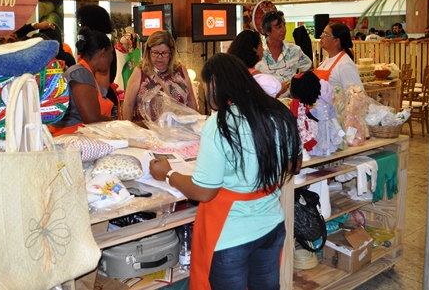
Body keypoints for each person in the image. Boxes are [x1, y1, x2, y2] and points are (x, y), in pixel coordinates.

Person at [149, 53, 302, 290]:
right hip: (271, 226)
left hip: (231, 235)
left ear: (215, 83)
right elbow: (294, 165)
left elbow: (204, 191)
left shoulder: (220, 123)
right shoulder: (278, 113)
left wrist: (168, 174)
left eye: (205, 86)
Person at [50, 28, 114, 136]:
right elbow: (91, 119)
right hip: (70, 137)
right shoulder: (80, 73)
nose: (111, 58)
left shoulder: (84, 72)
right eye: (111, 53)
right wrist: (120, 124)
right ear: (103, 53)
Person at [123, 30, 197, 122]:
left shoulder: (181, 70)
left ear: (171, 53)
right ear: (148, 52)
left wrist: (197, 123)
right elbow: (128, 105)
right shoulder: (139, 72)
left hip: (178, 129)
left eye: (164, 53)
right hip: (147, 129)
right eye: (155, 52)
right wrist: (128, 128)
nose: (159, 57)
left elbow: (191, 100)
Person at [255, 10, 313, 97]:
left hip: (289, 102)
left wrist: (297, 84)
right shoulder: (258, 52)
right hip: (265, 102)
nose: (284, 30)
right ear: (267, 31)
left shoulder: (294, 50)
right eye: (278, 27)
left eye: (284, 25)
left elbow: (308, 67)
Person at [77, 4, 120, 118]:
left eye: (81, 22)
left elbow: (102, 87)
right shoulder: (99, 45)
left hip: (102, 102)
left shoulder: (101, 46)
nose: (81, 26)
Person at [227, 29, 282, 97]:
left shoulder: (231, 72)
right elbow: (274, 89)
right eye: (261, 46)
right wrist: (281, 90)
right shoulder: (258, 78)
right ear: (254, 49)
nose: (263, 49)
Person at [314, 22, 363, 90]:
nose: (321, 36)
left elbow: (357, 93)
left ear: (336, 41)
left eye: (326, 34)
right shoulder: (326, 60)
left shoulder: (345, 65)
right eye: (323, 33)